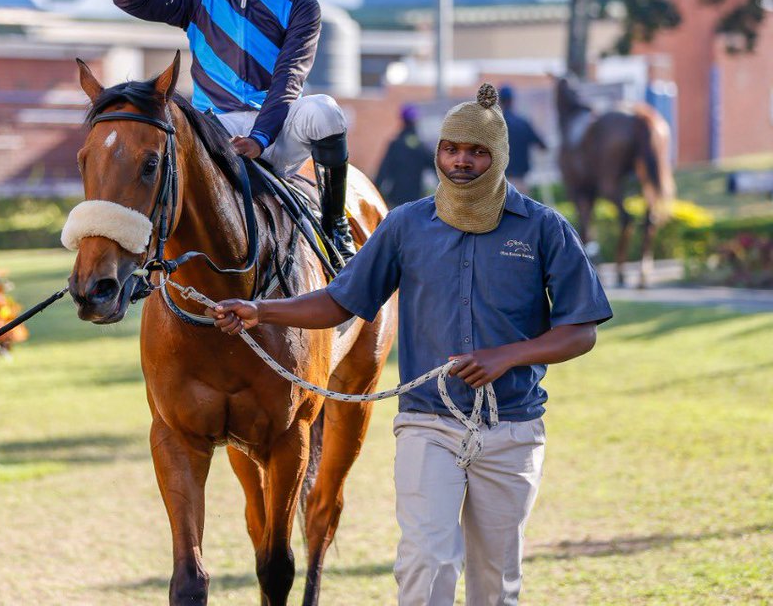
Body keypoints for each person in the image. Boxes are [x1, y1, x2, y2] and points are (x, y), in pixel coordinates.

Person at [212, 85, 612, 605]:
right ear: (438, 152)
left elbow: (582, 330)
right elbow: (340, 302)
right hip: (429, 425)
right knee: (425, 564)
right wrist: (260, 311)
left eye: (476, 151)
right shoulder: (406, 226)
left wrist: (506, 357)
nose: (461, 161)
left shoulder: (544, 229)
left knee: (495, 580)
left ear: (499, 156)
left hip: (512, 427)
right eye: (451, 149)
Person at [113, 0, 356, 258]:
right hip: (216, 131)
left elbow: (289, 77)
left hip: (276, 130)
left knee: (325, 112)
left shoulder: (300, 3)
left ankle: (334, 224)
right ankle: (148, 251)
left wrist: (259, 139)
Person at [374, 104, 435, 208]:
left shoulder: (396, 144)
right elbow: (436, 167)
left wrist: (375, 193)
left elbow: (383, 172)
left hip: (396, 200)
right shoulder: (421, 146)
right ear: (416, 121)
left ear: (402, 120)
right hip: (416, 200)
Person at [499, 84, 548, 196]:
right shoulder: (523, 123)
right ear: (512, 100)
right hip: (521, 182)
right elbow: (543, 145)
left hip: (500, 184)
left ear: (499, 101)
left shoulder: (494, 125)